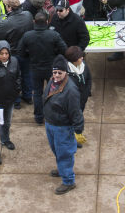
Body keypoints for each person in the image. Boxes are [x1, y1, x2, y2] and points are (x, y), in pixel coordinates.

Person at [43, 54, 83, 194]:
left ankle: (68, 181)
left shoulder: (71, 90)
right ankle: (62, 169)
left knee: (64, 153)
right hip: (50, 123)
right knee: (56, 150)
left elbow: (75, 111)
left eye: (60, 73)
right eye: (54, 72)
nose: (57, 75)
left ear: (66, 73)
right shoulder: (52, 81)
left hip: (63, 128)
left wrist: (78, 129)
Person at [18, 9, 67, 125]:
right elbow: (64, 49)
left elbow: (20, 52)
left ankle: (39, 117)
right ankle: (54, 115)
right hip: (51, 68)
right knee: (55, 92)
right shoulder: (53, 35)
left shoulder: (27, 36)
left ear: (34, 21)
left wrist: (29, 56)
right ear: (47, 22)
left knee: (38, 93)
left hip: (35, 68)